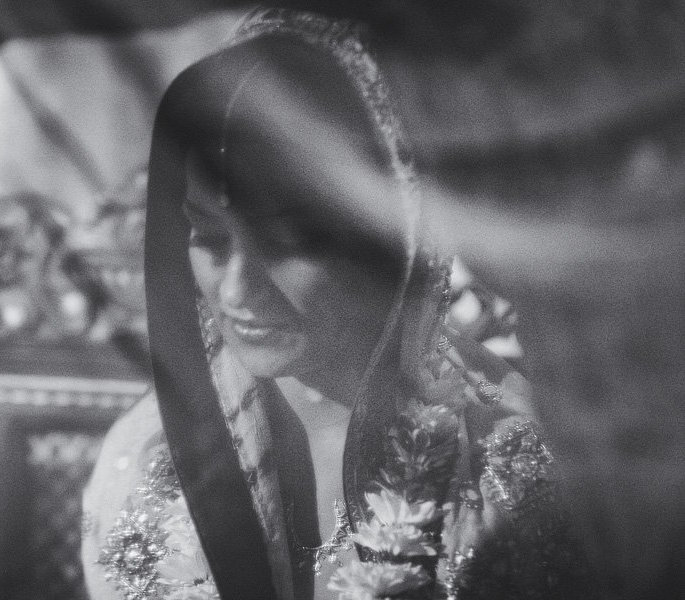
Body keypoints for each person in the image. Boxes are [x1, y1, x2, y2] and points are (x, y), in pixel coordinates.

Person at [82, 8, 592, 600]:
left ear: (393, 241)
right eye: (210, 238)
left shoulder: (508, 469)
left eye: (288, 245)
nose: (234, 292)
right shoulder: (145, 457)